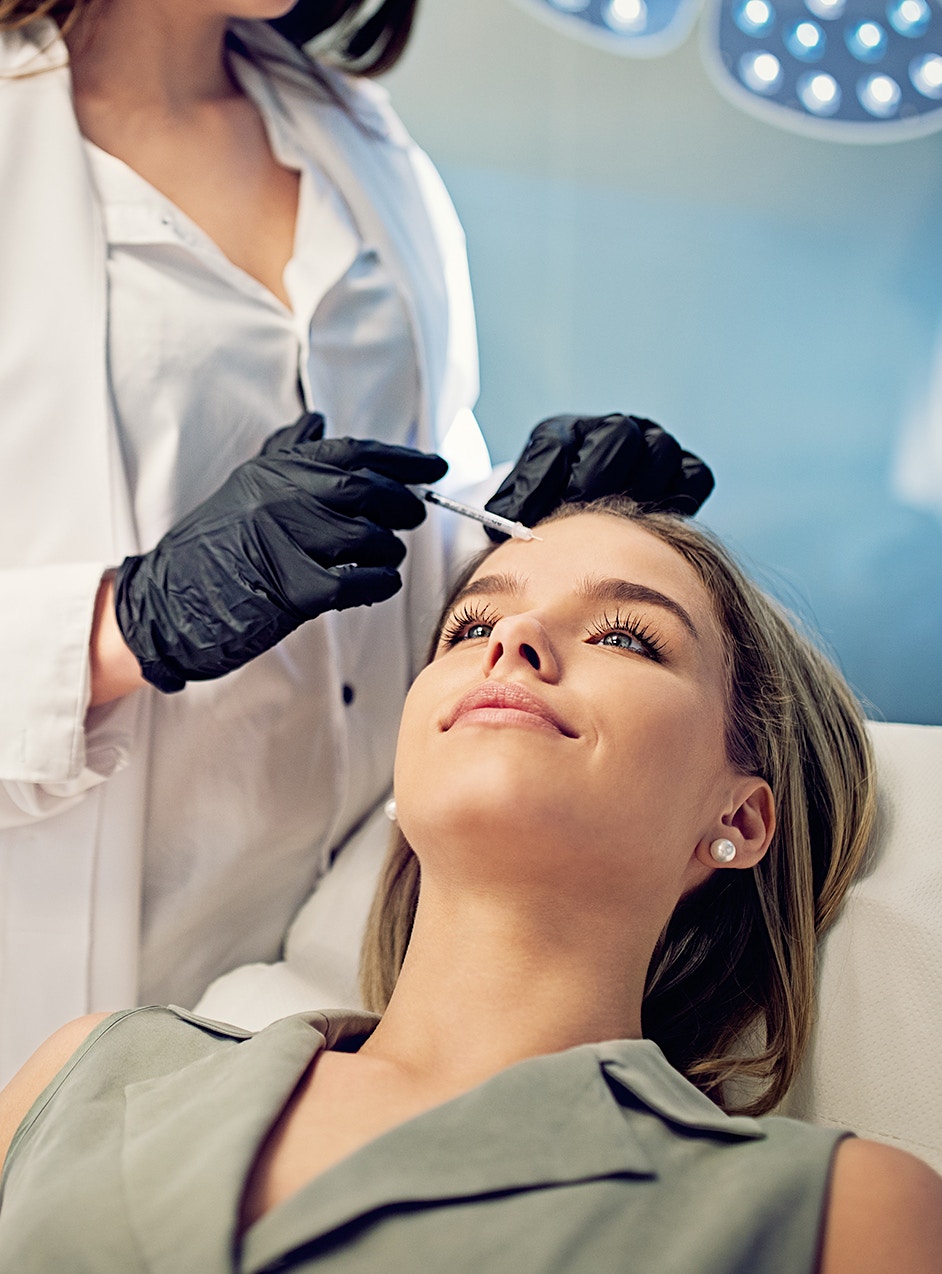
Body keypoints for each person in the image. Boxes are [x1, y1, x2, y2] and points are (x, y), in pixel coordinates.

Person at [0, 0, 713, 1083]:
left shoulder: (354, 132)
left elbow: (400, 493)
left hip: (335, 948)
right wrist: (125, 624)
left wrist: (522, 528)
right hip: (64, 948)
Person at [2, 498, 940, 1272]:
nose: (516, 638)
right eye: (472, 624)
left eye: (627, 636)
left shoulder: (835, 1216)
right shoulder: (89, 1071)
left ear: (736, 820)